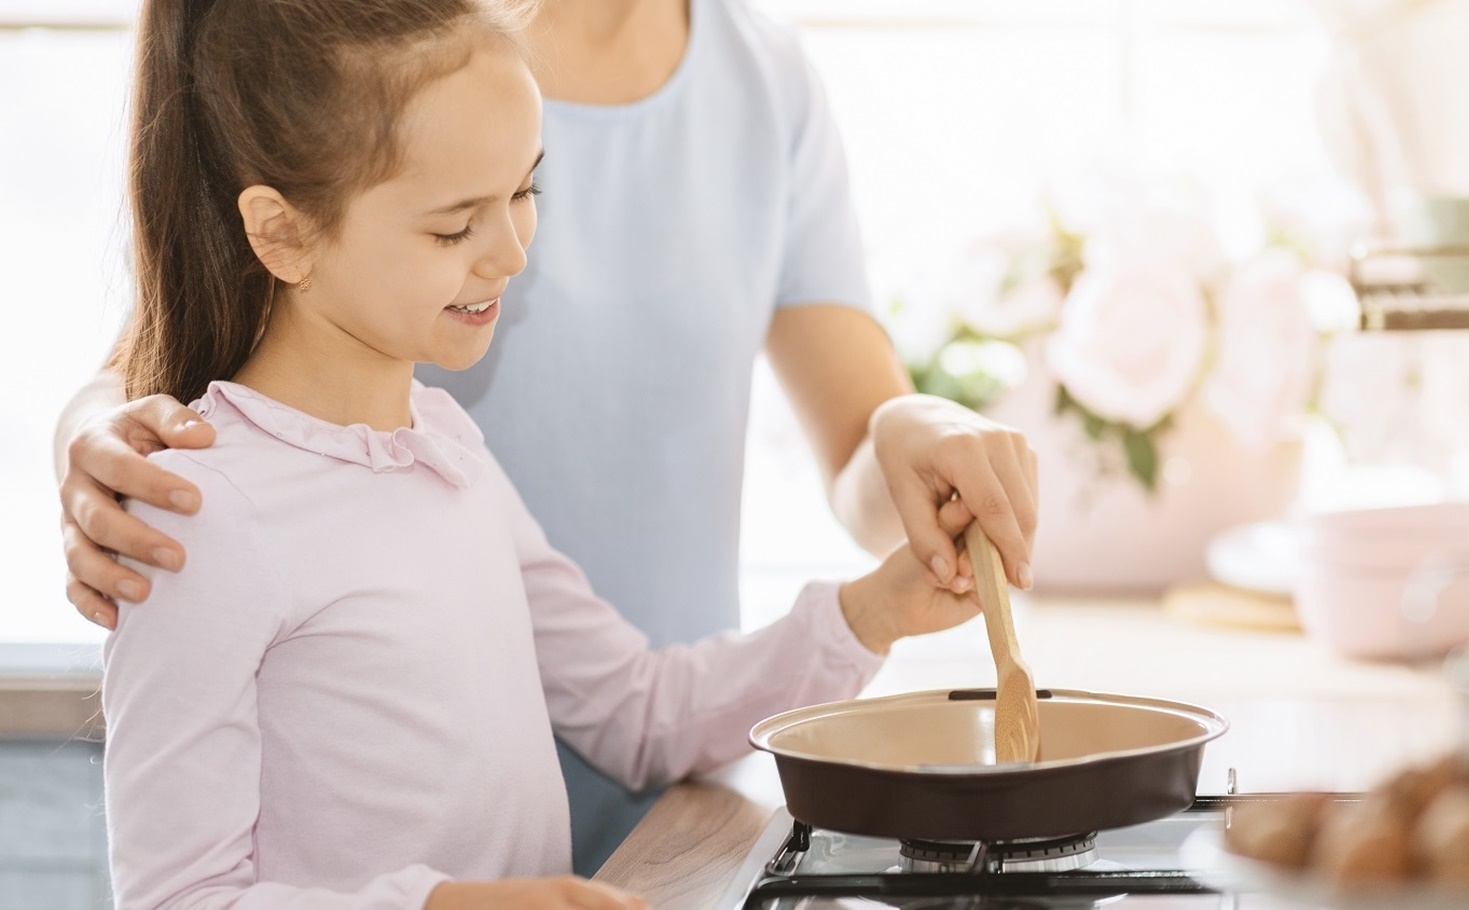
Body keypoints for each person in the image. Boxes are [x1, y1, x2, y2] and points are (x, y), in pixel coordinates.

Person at [57, 0, 1040, 873]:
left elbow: (639, 710)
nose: (515, 249)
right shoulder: (198, 517)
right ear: (281, 234)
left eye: (528, 191)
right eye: (456, 227)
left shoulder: (445, 453)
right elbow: (178, 892)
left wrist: (874, 611)